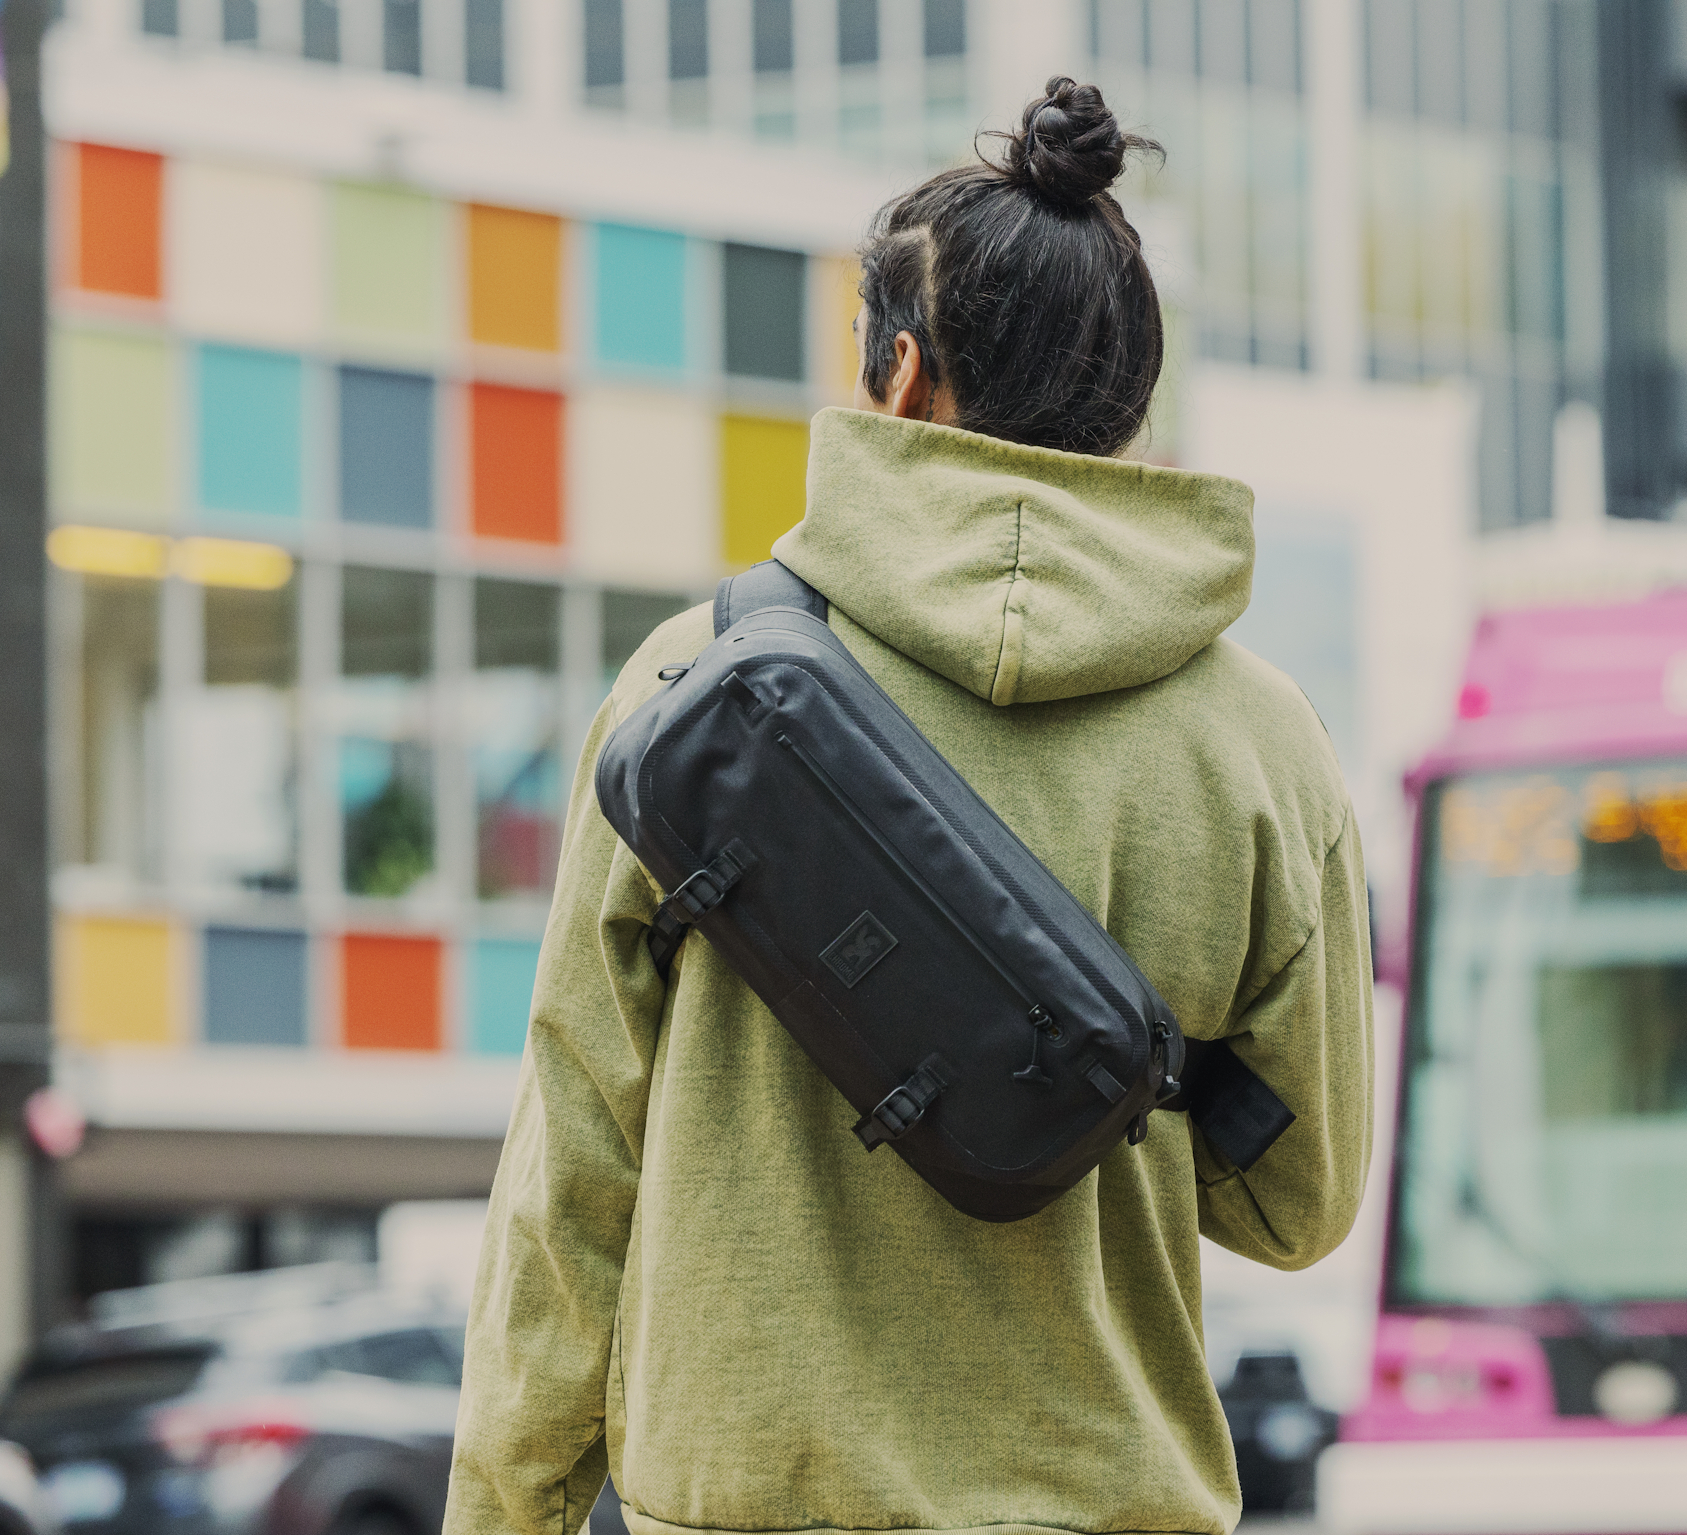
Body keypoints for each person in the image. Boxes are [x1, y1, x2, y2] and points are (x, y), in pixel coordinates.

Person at [445, 77, 1374, 1535]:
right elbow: (1295, 1206)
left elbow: (573, 1186)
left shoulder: (691, 689)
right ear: (1130, 406)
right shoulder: (1262, 746)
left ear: (895, 371)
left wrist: (511, 1510)